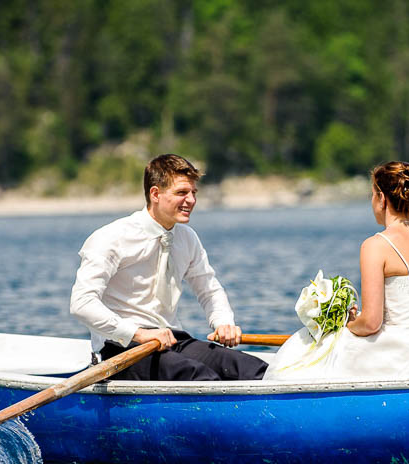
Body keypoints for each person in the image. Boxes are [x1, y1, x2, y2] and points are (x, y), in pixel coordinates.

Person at [264, 161, 409, 379]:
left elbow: (372, 323)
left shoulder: (376, 246)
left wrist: (347, 323)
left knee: (309, 347)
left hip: (404, 355)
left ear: (382, 198)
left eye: (372, 195)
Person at [70, 153, 267, 381]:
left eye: (194, 193)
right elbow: (82, 304)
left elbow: (209, 290)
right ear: (155, 194)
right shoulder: (110, 238)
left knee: (251, 368)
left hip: (173, 340)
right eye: (182, 193)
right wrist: (139, 334)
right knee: (198, 376)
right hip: (121, 348)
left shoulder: (187, 237)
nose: (191, 200)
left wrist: (224, 323)